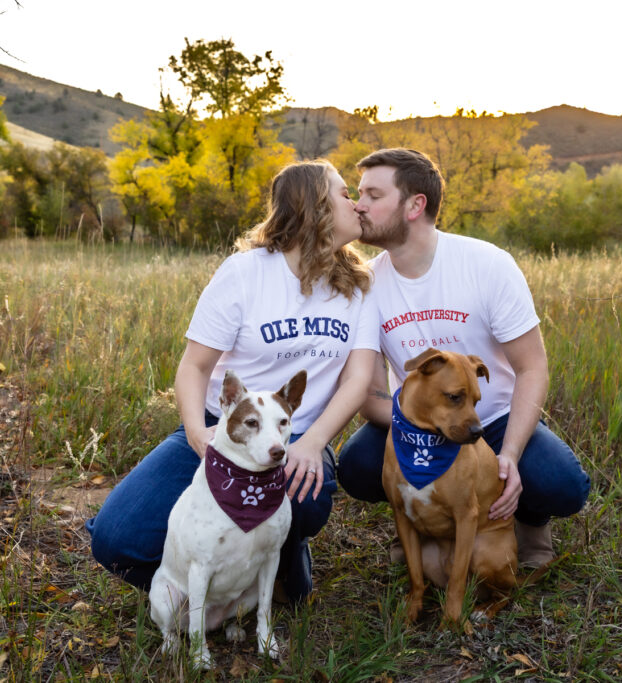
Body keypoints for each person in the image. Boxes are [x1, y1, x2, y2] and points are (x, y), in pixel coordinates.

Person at [87, 160, 378, 604]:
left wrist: (313, 442)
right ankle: (218, 589)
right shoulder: (245, 273)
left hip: (292, 437)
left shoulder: (358, 285)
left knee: (307, 500)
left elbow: (358, 379)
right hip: (223, 429)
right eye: (344, 194)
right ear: (314, 206)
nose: (355, 203)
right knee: (117, 542)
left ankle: (280, 553)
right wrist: (196, 433)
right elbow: (194, 367)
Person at [337, 148, 590, 571]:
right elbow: (367, 388)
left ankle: (525, 520)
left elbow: (532, 367)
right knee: (358, 466)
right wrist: (412, 428)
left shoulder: (486, 264)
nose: (358, 205)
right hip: (416, 424)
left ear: (415, 205)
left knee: (561, 484)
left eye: (373, 195)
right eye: (358, 193)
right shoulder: (368, 283)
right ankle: (417, 524)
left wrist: (508, 455)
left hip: (488, 423)